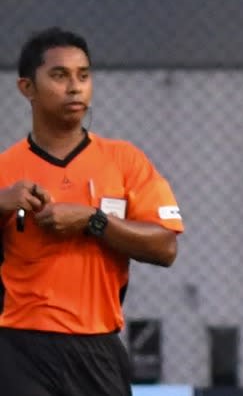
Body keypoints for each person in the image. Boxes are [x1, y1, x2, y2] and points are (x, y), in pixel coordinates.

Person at [0, 27, 185, 396]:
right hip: (19, 347)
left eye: (83, 76)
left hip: (98, 347)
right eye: (59, 75)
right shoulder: (6, 168)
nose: (75, 87)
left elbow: (165, 247)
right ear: (26, 88)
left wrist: (92, 221)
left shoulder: (124, 161)